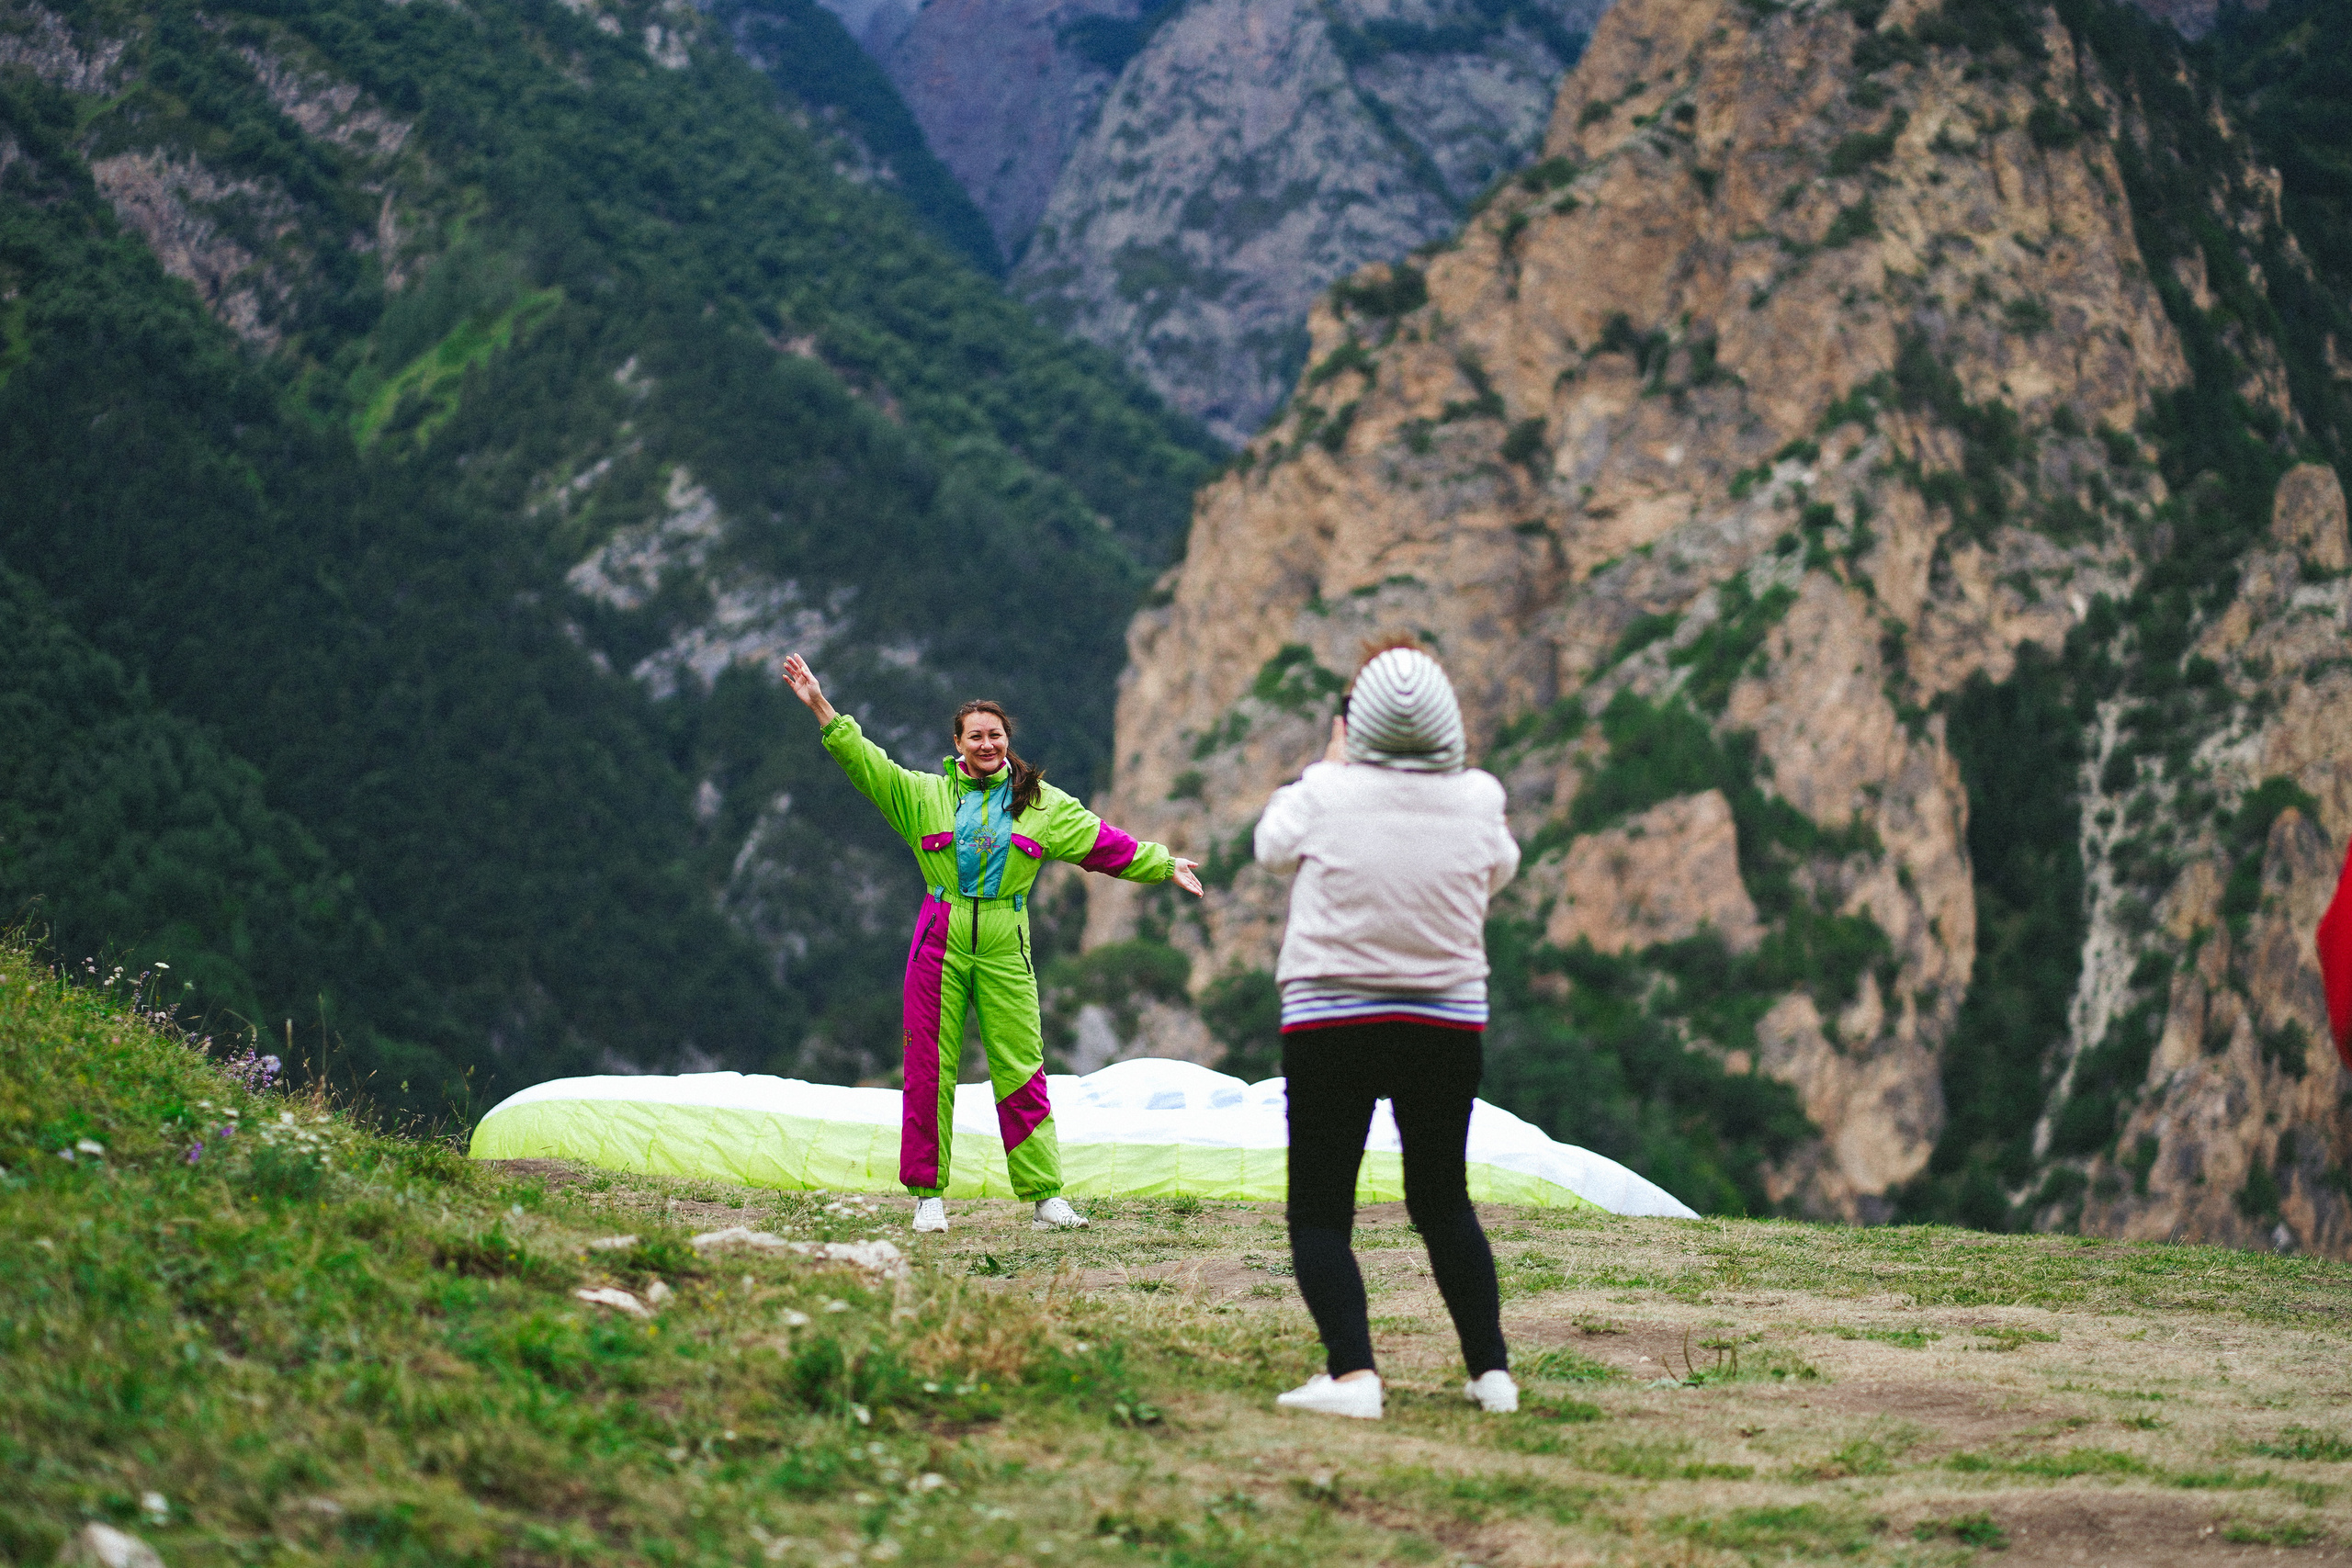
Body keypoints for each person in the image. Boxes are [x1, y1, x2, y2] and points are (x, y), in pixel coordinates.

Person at [780, 654, 1204, 1233]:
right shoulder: (923, 797)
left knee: (1022, 1069)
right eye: (976, 736)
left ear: (1007, 741)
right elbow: (868, 765)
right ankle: (928, 1198)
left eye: (996, 735)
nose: (987, 744)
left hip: (1008, 946)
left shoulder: (1040, 803)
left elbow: (1103, 843)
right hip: (939, 941)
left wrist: (1164, 863)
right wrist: (822, 707)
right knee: (929, 1067)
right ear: (958, 743)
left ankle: (1046, 1198)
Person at [1253, 643, 1522, 1420]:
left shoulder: (1325, 790)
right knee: (1443, 1199)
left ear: (1356, 722)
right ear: (1447, 722)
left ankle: (1353, 1375)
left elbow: (1270, 850)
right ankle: (1492, 1373)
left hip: (1331, 1018)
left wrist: (1332, 766)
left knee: (1321, 1210)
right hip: (1445, 1021)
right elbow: (1498, 869)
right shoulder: (1479, 796)